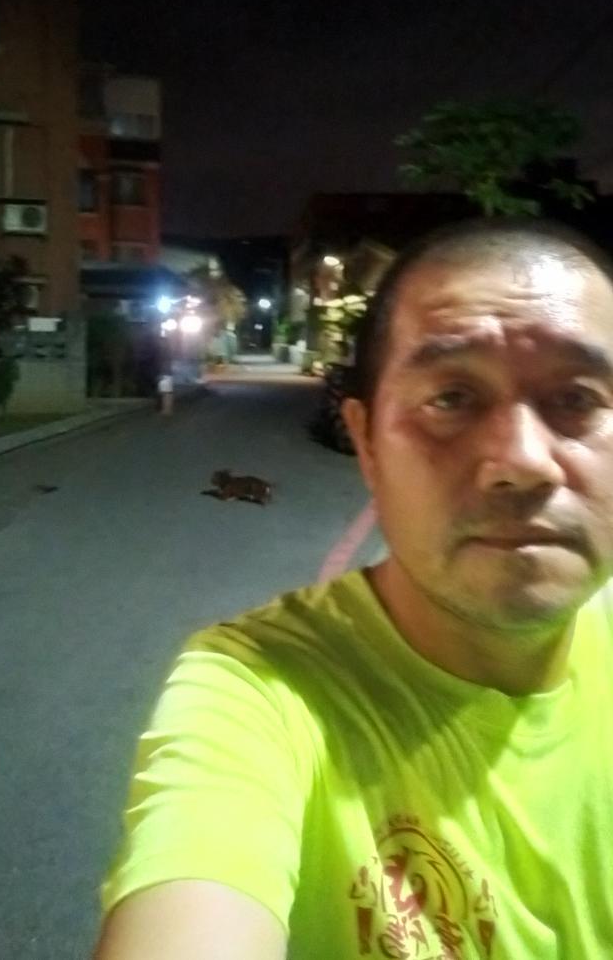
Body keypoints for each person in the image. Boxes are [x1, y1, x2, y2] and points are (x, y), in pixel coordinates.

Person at [93, 217, 613, 959]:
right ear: (366, 442)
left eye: (578, 399)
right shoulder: (257, 693)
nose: (523, 461)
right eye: (452, 398)